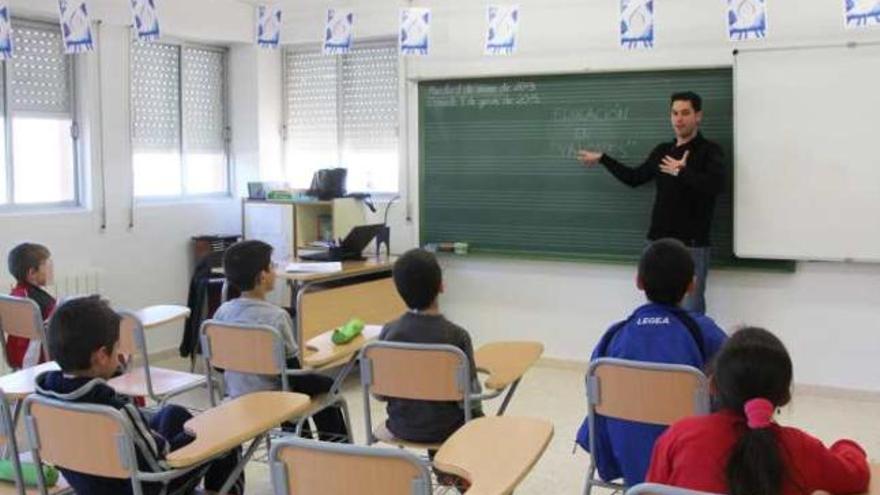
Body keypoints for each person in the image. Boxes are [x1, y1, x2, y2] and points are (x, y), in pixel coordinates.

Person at [35, 296, 244, 495]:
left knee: (173, 414)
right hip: (147, 488)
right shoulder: (114, 413)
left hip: (92, 484)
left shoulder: (42, 401)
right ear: (101, 356)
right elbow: (157, 477)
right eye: (117, 349)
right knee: (223, 433)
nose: (119, 358)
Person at [646, 327, 870, 495]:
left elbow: (650, 490)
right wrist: (846, 446)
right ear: (784, 396)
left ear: (712, 385)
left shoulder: (679, 435)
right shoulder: (800, 448)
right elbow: (856, 477)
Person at [576, 238, 727, 485]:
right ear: (692, 285)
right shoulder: (704, 333)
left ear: (639, 282)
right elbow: (738, 379)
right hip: (687, 462)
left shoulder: (614, 335)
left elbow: (592, 391)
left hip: (624, 457)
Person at [577, 91, 725, 314]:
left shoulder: (710, 151)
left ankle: (690, 349)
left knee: (691, 311)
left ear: (698, 116)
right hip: (657, 244)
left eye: (685, 113)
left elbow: (715, 186)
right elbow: (634, 178)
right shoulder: (663, 151)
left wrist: (682, 171)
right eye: (675, 113)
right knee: (655, 311)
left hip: (692, 246)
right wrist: (603, 159)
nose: (679, 119)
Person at [212, 240, 348, 440]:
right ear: (262, 275)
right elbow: (293, 374)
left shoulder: (222, 312)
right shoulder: (276, 317)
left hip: (237, 394)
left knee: (311, 384)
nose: (275, 270)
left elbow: (219, 366)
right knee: (327, 385)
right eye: (272, 266)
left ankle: (304, 441)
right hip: (275, 398)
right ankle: (334, 448)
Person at [379, 248, 483, 445]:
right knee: (474, 418)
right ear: (441, 286)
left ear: (399, 290)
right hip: (448, 430)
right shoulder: (457, 337)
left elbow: (379, 394)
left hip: (400, 427)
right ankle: (451, 470)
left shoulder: (388, 333)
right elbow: (471, 399)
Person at [7, 242, 55, 368]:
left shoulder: (15, 295)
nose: (51, 270)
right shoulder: (37, 303)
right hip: (38, 362)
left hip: (16, 358)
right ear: (32, 273)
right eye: (47, 266)